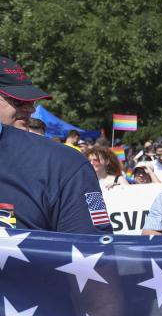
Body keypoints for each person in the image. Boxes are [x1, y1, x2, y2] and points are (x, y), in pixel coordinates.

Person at [0, 56, 112, 233]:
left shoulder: (68, 163)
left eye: (32, 101)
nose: (31, 109)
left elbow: (97, 251)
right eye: (18, 101)